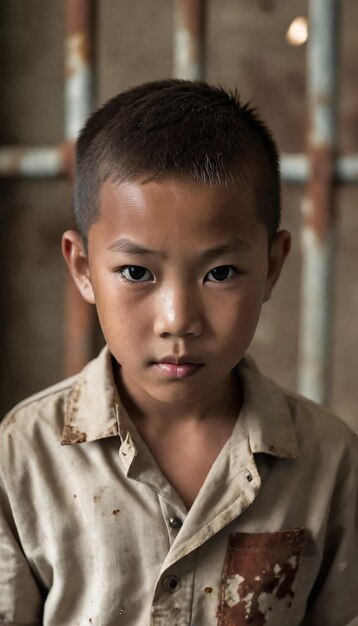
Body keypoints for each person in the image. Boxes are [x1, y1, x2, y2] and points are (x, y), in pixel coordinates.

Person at [0, 79, 357, 626]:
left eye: (221, 273)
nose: (178, 321)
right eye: (136, 272)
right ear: (81, 267)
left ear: (273, 265)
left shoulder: (329, 460)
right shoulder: (23, 458)